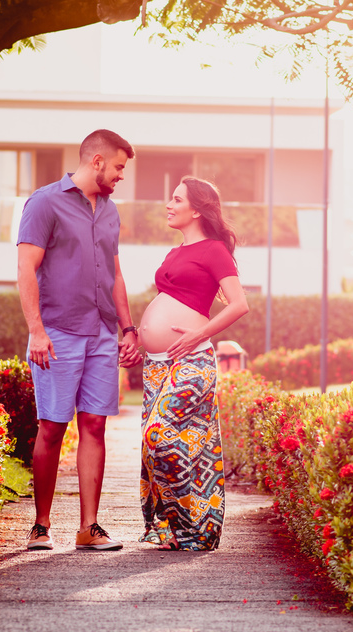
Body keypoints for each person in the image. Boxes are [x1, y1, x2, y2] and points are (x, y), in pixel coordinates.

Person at [16, 129, 140, 552]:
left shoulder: (110, 211)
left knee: (94, 425)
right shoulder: (45, 202)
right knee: (51, 427)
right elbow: (26, 268)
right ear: (98, 161)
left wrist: (127, 328)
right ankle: (41, 525)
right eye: (120, 167)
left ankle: (89, 527)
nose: (122, 175)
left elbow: (115, 273)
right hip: (57, 333)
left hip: (102, 333)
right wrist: (36, 329)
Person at [128, 176, 249, 550]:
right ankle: (173, 529)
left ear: (196, 208)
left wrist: (200, 334)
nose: (169, 204)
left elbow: (239, 304)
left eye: (176, 199)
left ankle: (196, 525)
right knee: (154, 448)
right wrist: (138, 337)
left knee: (159, 434)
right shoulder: (173, 252)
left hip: (192, 359)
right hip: (156, 364)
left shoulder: (214, 250)